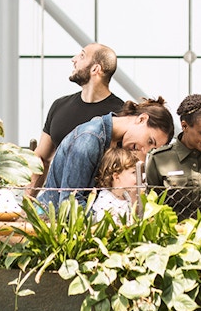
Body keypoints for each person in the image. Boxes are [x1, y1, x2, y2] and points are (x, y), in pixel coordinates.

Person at [37, 96, 174, 211]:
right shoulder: (89, 139)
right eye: (150, 141)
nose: (144, 151)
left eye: (151, 149)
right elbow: (70, 203)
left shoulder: (119, 143)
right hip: (51, 227)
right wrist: (107, 225)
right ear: (141, 119)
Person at [29, 43, 124, 196]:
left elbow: (126, 169)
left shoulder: (120, 114)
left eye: (82, 55)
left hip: (98, 209)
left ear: (96, 69)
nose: (74, 59)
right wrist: (26, 205)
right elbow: (41, 158)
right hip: (56, 205)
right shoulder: (59, 105)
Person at [92, 147, 140, 225]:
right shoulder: (105, 200)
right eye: (133, 172)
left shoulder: (126, 196)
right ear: (116, 177)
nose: (138, 177)